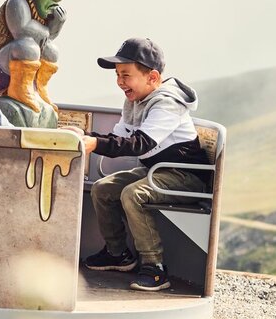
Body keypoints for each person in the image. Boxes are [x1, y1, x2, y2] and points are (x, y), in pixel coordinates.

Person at [73, 37, 209, 291]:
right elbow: (120, 137)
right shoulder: (134, 102)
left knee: (132, 194)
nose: (119, 81)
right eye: (117, 75)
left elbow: (140, 143)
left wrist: (96, 143)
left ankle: (155, 268)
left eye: (126, 74)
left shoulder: (168, 104)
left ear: (153, 78)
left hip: (185, 176)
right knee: (103, 188)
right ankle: (118, 254)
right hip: (155, 171)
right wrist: (86, 136)